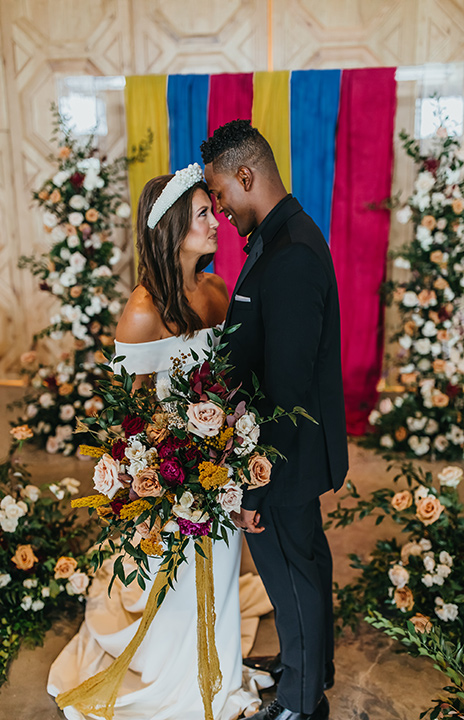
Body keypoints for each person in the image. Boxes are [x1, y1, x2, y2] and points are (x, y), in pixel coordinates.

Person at [48, 164, 271, 720]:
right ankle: (182, 671)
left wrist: (228, 443)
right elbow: (128, 411)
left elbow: (230, 378)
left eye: (211, 210)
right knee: (176, 581)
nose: (216, 221)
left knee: (220, 569)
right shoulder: (143, 311)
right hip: (171, 475)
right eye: (202, 214)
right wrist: (159, 473)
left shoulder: (217, 288)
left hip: (220, 464)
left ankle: (215, 667)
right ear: (172, 227)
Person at [201, 121, 349, 720]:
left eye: (220, 196)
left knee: (292, 577)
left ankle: (299, 703)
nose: (220, 210)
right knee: (304, 564)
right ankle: (307, 667)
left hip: (283, 455)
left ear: (245, 176)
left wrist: (255, 484)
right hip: (292, 449)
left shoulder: (290, 255)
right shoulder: (284, 234)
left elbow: (285, 389)